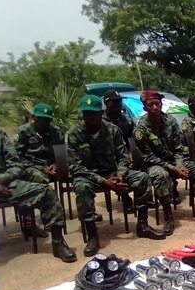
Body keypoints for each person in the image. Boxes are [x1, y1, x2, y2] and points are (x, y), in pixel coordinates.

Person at [67, 95, 165, 256]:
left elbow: (123, 156)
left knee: (142, 178)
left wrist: (120, 175)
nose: (90, 117)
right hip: (88, 175)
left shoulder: (112, 130)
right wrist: (104, 182)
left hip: (112, 172)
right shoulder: (74, 133)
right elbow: (75, 166)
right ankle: (92, 235)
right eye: (87, 113)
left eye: (94, 113)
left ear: (101, 113)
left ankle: (143, 225)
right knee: (81, 187)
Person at [0, 106, 76, 262]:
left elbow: (16, 165)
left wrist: (1, 180)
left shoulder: (0, 138)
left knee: (46, 192)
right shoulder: (24, 132)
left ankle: (58, 243)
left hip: (7, 184)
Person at [133, 90, 195, 234]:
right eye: (151, 105)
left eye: (157, 103)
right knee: (161, 176)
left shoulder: (170, 121)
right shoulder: (140, 129)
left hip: (175, 161)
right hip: (154, 164)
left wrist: (180, 165)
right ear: (145, 108)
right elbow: (149, 157)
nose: (155, 107)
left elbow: (178, 148)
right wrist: (174, 169)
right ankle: (169, 217)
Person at [102, 89, 136, 213]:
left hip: (125, 153)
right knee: (117, 170)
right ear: (107, 103)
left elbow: (133, 139)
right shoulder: (100, 121)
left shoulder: (125, 119)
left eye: (120, 102)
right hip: (108, 157)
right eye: (115, 102)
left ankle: (142, 199)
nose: (119, 105)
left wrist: (132, 155)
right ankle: (125, 197)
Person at [15, 103, 63, 185]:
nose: (43, 122)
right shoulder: (23, 132)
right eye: (40, 119)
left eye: (47, 120)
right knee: (39, 177)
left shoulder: (56, 132)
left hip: (51, 167)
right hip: (30, 167)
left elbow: (61, 155)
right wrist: (41, 168)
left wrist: (56, 165)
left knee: (70, 173)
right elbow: (17, 157)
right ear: (34, 118)